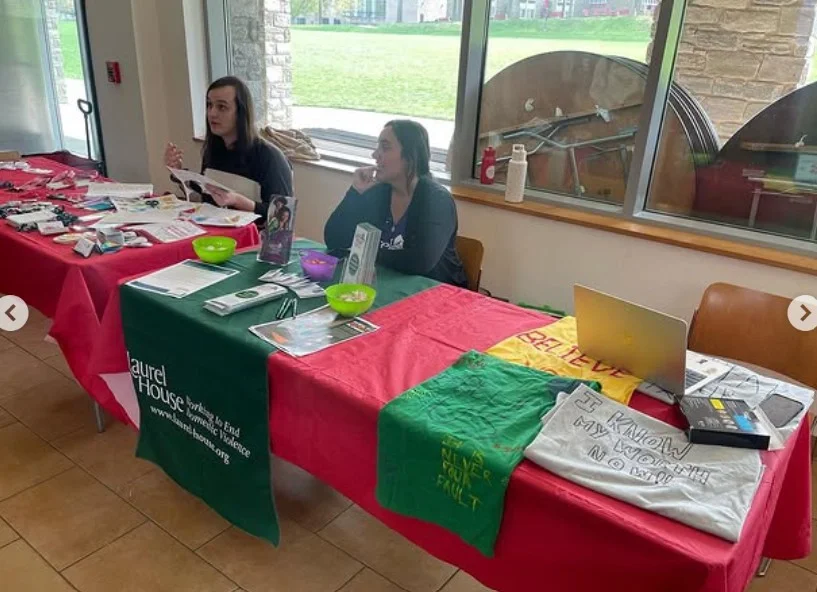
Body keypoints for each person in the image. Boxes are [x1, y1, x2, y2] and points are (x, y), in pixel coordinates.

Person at [324, 120, 467, 287]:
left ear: (410, 156)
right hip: (389, 284)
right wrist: (355, 193)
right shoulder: (378, 192)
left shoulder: (437, 200)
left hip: (437, 292)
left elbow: (419, 262)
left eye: (385, 148)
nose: (375, 155)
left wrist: (363, 249)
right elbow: (334, 239)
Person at [164, 76, 293, 220]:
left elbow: (282, 220)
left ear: (241, 112)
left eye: (222, 107)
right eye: (209, 105)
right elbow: (206, 198)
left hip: (253, 233)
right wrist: (179, 173)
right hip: (214, 229)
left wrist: (239, 201)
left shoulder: (270, 157)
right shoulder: (212, 151)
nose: (212, 113)